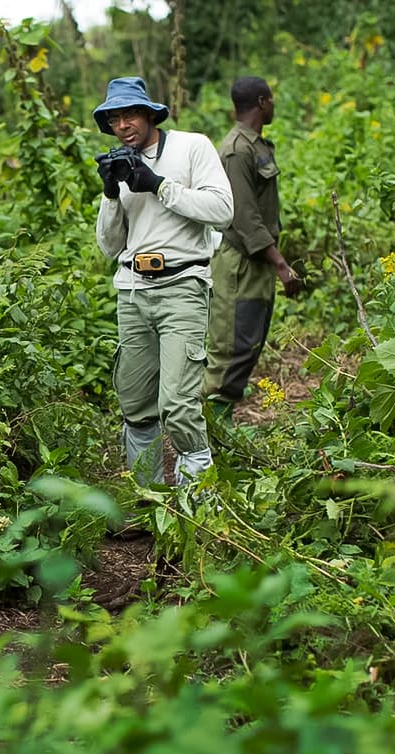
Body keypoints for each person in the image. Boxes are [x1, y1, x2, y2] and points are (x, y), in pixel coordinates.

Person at [93, 76, 234, 485]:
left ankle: (194, 509)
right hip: (132, 291)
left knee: (177, 404)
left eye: (130, 114)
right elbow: (110, 245)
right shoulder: (119, 161)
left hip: (182, 286)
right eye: (114, 119)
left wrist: (157, 185)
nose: (123, 125)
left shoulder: (192, 147)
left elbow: (222, 210)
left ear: (149, 114)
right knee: (136, 406)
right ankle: (148, 504)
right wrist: (110, 192)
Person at [202, 76, 302, 421]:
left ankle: (221, 423)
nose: (273, 105)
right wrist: (280, 264)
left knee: (250, 342)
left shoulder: (255, 145)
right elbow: (242, 216)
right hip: (240, 264)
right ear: (262, 102)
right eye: (271, 100)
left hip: (256, 261)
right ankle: (210, 428)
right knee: (231, 347)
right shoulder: (236, 150)